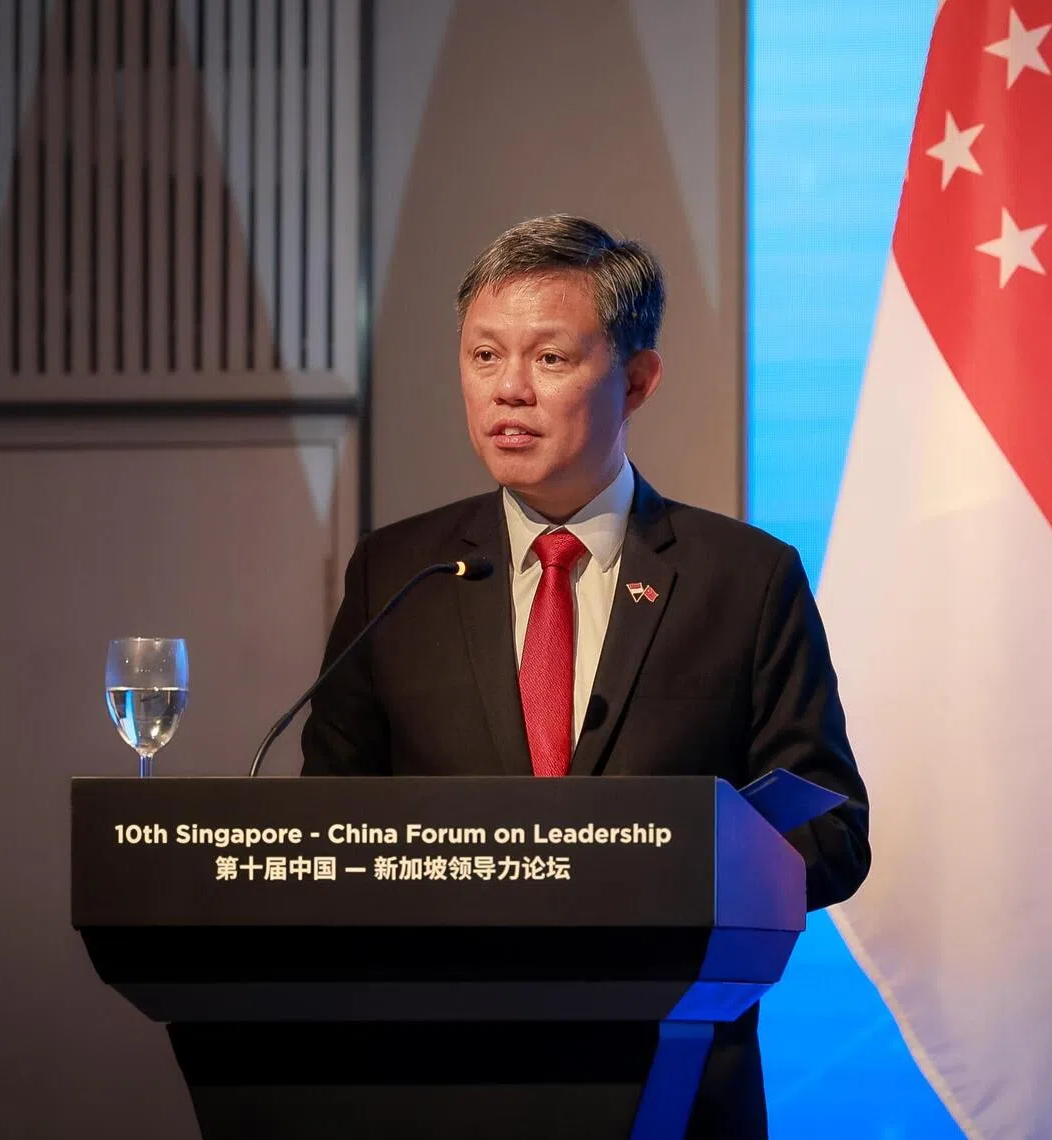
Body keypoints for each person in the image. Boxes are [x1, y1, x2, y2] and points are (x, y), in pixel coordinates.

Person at [301, 214, 870, 1138]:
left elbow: (834, 830)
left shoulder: (746, 578)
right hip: (442, 1081)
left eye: (550, 360)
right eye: (484, 357)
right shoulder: (394, 572)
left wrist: (662, 880)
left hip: (678, 1078)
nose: (508, 392)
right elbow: (328, 821)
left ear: (637, 380)